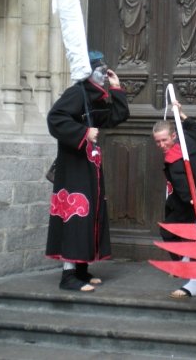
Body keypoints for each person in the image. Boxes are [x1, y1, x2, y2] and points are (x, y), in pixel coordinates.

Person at [46, 51, 130, 292]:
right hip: (73, 166)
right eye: (100, 71)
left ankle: (81, 269)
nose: (104, 75)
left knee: (89, 212)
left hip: (88, 165)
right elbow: (55, 118)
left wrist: (116, 88)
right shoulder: (76, 93)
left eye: (106, 70)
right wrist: (84, 133)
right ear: (88, 71)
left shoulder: (93, 97)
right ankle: (68, 275)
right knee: (75, 212)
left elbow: (117, 116)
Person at [152, 102, 196, 298]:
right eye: (157, 142)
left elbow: (182, 186)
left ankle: (194, 281)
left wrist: (194, 199)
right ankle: (187, 267)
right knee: (188, 237)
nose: (162, 145)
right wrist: (181, 115)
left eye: (164, 140)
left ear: (173, 136)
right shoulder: (187, 139)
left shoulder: (175, 157)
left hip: (192, 202)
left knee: (181, 235)